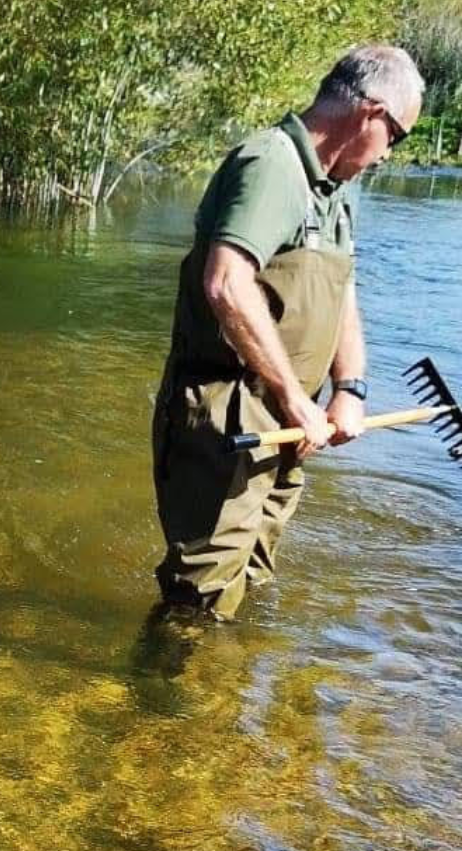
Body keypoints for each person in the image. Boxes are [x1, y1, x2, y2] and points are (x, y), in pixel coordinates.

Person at [150, 45, 422, 620]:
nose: (387, 156)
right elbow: (226, 282)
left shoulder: (333, 189)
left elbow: (340, 289)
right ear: (370, 114)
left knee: (250, 577)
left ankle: (221, 701)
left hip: (290, 419)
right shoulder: (273, 165)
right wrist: (296, 398)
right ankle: (161, 704)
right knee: (199, 595)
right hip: (234, 412)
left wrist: (351, 387)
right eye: (395, 137)